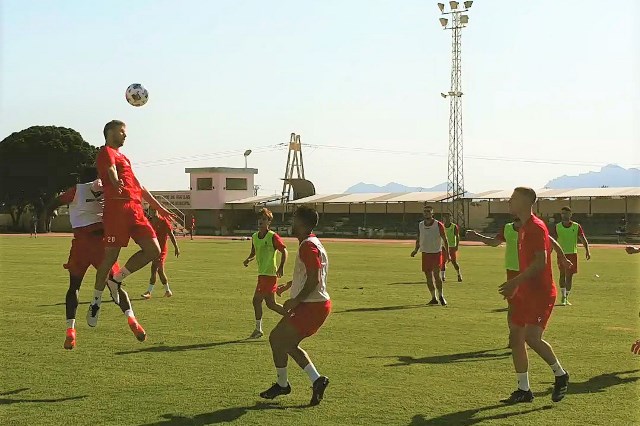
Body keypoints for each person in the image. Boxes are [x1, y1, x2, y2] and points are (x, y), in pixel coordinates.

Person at [88, 120, 175, 332]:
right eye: (122, 131)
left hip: (135, 209)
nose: (125, 135)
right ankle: (96, 301)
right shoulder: (106, 151)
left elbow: (140, 187)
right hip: (116, 210)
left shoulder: (125, 158)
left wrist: (160, 208)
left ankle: (116, 280)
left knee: (154, 250)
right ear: (110, 132)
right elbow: (110, 169)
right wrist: (115, 180)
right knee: (109, 258)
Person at [47, 167, 143, 348]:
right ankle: (131, 319)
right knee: (114, 285)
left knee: (74, 287)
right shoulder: (107, 188)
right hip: (102, 244)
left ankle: (71, 330)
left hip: (81, 243)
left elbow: (55, 202)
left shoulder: (76, 190)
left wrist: (48, 213)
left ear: (82, 178)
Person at [498, 187, 569, 404]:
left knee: (531, 337)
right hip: (524, 292)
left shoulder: (536, 227)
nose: (509, 201)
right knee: (515, 337)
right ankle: (524, 389)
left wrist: (514, 282)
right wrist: (518, 287)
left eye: (513, 198)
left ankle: (560, 374)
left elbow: (540, 263)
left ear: (526, 201)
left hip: (540, 293)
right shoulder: (523, 228)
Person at [259, 206, 331, 406]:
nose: (291, 223)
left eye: (294, 219)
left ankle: (285, 385)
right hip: (315, 304)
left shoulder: (307, 246)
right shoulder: (313, 243)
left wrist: (296, 299)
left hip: (311, 306)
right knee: (285, 342)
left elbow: (315, 278)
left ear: (303, 223)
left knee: (277, 338)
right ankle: (315, 381)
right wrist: (291, 285)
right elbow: (312, 273)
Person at [467, 218, 571, 347]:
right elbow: (494, 242)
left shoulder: (533, 229)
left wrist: (563, 259)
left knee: (530, 305)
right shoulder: (508, 228)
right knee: (514, 306)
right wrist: (477, 236)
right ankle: (514, 337)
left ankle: (531, 336)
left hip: (529, 272)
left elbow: (552, 242)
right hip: (512, 272)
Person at [243, 208, 288, 338]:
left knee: (256, 300)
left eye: (264, 219)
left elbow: (284, 251)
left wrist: (281, 267)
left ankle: (258, 330)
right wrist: (248, 259)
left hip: (269, 275)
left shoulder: (272, 236)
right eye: (260, 219)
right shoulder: (254, 237)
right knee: (271, 304)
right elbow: (254, 252)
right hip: (262, 274)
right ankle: (293, 318)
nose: (261, 221)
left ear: (269, 221)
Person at [411, 205, 450, 306]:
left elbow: (445, 240)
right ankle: (434, 298)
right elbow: (418, 238)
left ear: (432, 213)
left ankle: (441, 295)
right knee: (428, 277)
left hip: (436, 253)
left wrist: (448, 255)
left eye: (428, 211)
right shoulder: (420, 225)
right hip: (425, 253)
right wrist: (415, 250)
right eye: (425, 211)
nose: (426, 213)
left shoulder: (438, 225)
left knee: (436, 275)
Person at [552, 206, 591, 306]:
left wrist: (587, 250)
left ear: (570, 214)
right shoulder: (557, 226)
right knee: (562, 274)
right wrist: (549, 251)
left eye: (566, 213)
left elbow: (582, 238)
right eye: (562, 213)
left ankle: (566, 297)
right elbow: (553, 241)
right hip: (561, 254)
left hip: (572, 254)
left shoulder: (576, 226)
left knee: (569, 276)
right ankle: (563, 296)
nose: (564, 215)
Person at [142, 209, 180, 299]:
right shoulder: (150, 222)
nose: (152, 212)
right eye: (151, 210)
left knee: (154, 269)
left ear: (157, 211)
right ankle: (168, 291)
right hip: (154, 249)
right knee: (159, 271)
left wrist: (176, 247)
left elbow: (171, 234)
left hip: (162, 250)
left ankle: (149, 292)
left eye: (154, 210)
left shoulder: (163, 222)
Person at [440, 213, 462, 282]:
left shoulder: (454, 226)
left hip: (452, 246)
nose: (447, 219)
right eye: (445, 217)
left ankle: (459, 274)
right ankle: (443, 277)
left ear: (451, 218)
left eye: (448, 217)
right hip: (443, 246)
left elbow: (457, 236)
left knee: (454, 262)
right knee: (443, 261)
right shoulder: (442, 226)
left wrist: (457, 246)